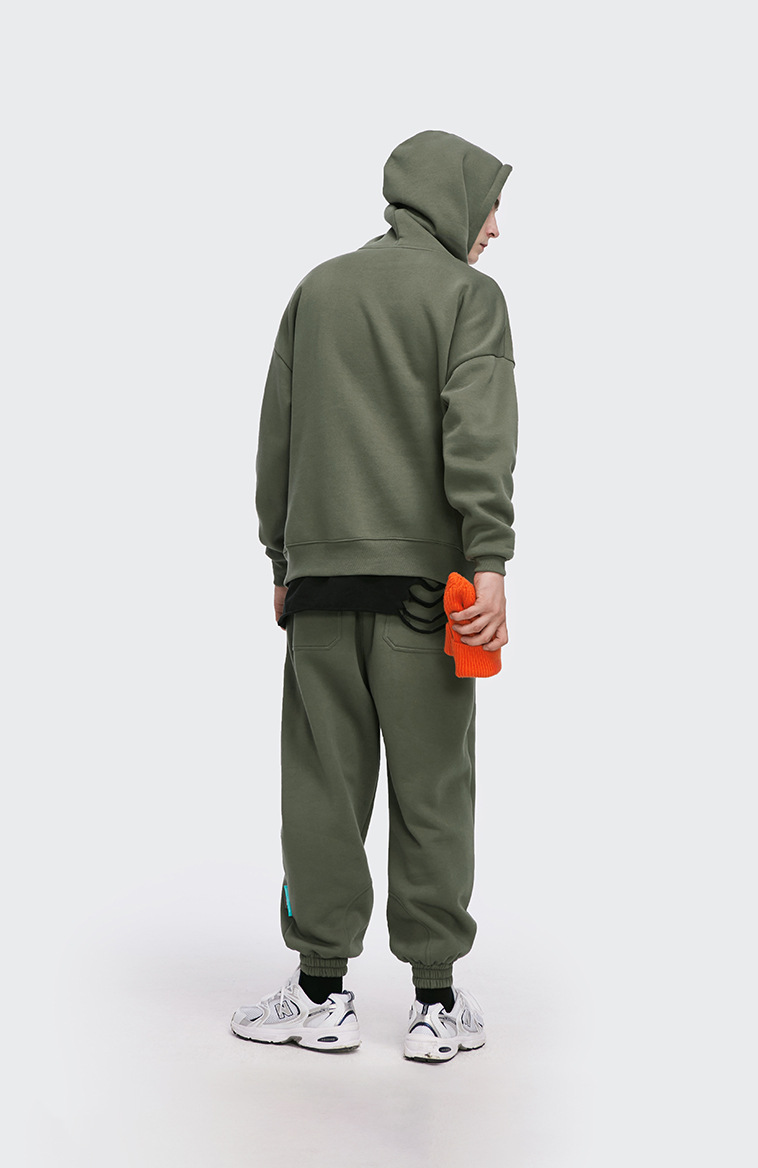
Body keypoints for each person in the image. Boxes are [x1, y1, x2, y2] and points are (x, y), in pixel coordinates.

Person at [230, 129, 518, 1062]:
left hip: (320, 591)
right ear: (451, 200)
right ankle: (434, 1003)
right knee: (433, 790)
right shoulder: (469, 299)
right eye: (489, 206)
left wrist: (281, 560)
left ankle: (322, 993)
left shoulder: (317, 289)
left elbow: (276, 438)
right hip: (430, 600)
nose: (494, 229)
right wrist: (491, 561)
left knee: (320, 788)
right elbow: (479, 436)